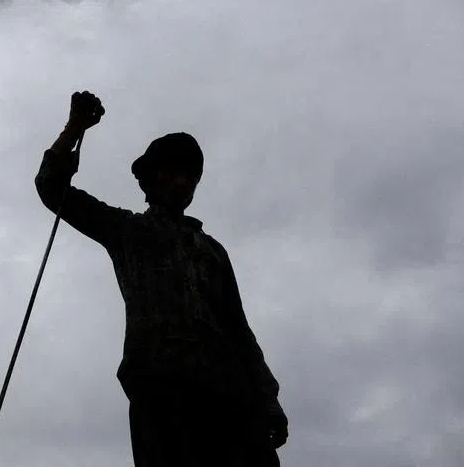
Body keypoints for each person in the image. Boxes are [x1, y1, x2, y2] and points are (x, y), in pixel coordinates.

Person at [35, 91, 289, 467]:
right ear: (149, 181)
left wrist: (268, 398)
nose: (181, 182)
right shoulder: (128, 230)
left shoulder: (213, 251)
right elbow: (52, 188)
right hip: (162, 388)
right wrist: (74, 127)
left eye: (190, 176)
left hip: (231, 396)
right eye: (172, 172)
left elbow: (239, 329)